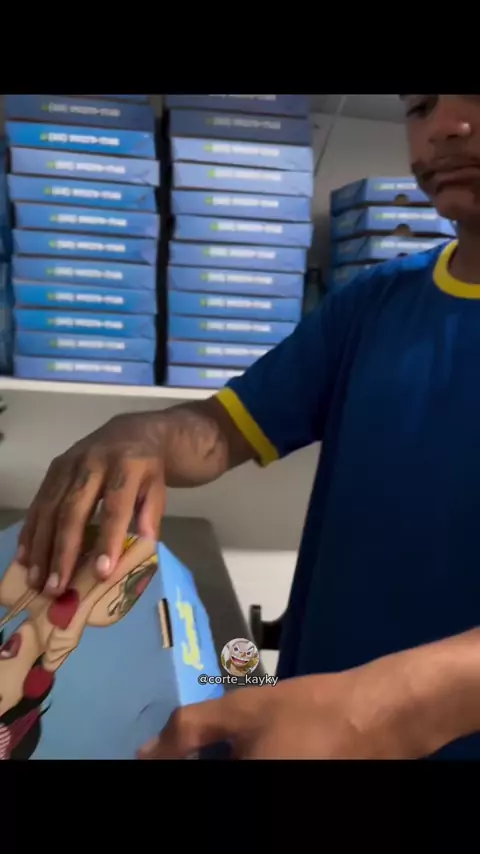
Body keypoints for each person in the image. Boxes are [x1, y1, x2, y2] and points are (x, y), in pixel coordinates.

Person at [14, 93, 480, 760]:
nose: (445, 127)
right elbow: (222, 428)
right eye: (420, 103)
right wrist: (143, 435)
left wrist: (380, 709)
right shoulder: (377, 303)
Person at [0, 531, 157, 759]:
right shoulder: (104, 610)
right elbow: (147, 542)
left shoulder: (12, 587)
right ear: (32, 688)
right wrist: (85, 604)